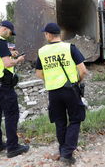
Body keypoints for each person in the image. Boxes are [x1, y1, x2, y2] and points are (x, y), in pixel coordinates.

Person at [35, 23, 88, 165]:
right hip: (70, 89)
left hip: (53, 91)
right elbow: (83, 71)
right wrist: (77, 80)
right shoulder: (69, 48)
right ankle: (67, 153)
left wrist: (52, 78)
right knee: (76, 119)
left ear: (48, 34)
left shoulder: (42, 51)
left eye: (45, 33)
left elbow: (39, 73)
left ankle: (62, 148)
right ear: (59, 34)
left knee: (59, 121)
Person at [0, 20, 29, 158]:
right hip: (2, 84)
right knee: (11, 113)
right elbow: (8, 64)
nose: (9, 36)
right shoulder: (0, 42)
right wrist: (18, 60)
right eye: (9, 33)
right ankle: (13, 147)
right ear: (4, 29)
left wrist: (11, 55)